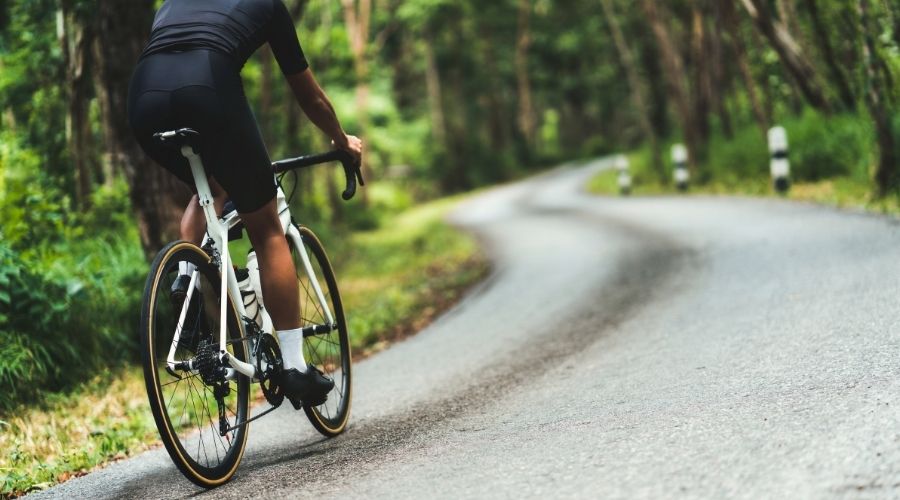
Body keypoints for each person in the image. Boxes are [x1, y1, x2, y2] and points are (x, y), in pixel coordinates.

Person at [128, 0, 362, 406]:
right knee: (268, 227)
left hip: (143, 98)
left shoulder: (171, 5)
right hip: (208, 87)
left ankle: (186, 270)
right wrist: (342, 141)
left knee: (211, 189)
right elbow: (311, 99)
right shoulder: (268, 5)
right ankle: (294, 367)